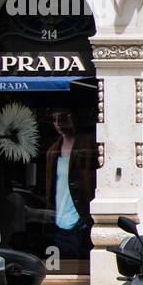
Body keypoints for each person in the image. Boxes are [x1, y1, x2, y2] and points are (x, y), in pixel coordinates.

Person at [43, 109, 94, 264]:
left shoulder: (87, 145)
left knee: (81, 257)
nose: (58, 124)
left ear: (73, 119)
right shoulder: (53, 151)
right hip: (59, 220)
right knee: (64, 259)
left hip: (81, 219)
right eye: (55, 120)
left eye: (63, 118)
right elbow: (51, 187)